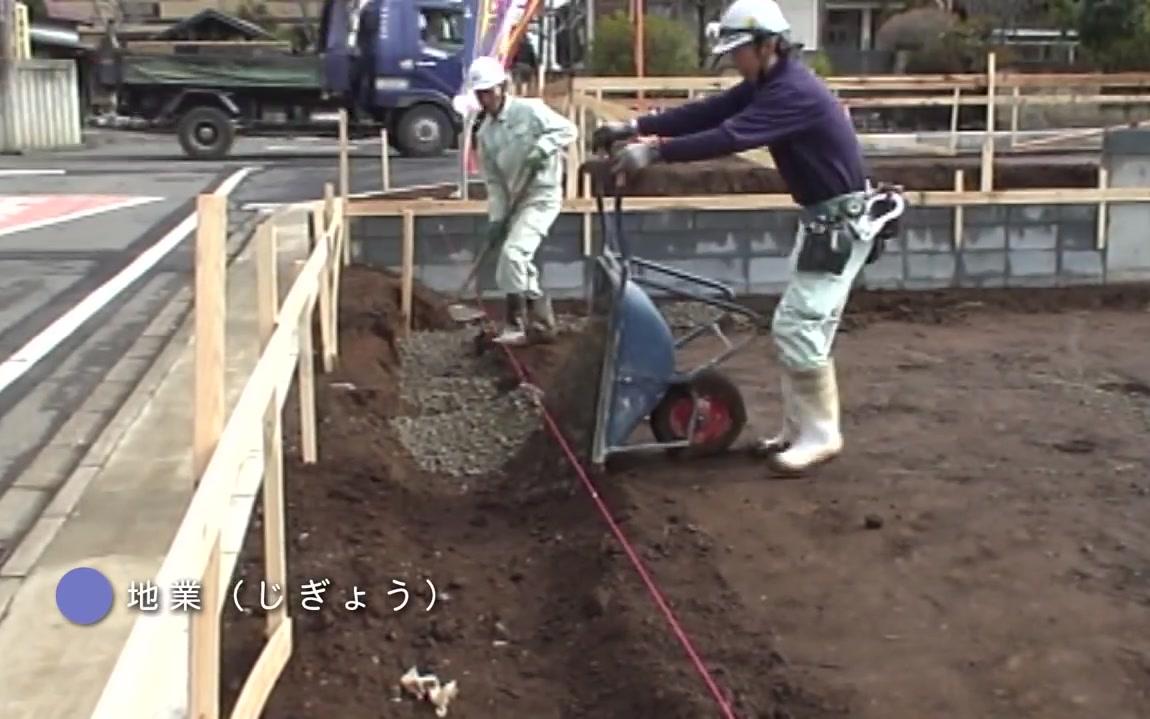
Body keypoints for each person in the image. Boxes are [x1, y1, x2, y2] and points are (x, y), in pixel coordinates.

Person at [592, 0, 903, 475]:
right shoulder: (767, 83)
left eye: (740, 51)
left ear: (768, 45)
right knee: (800, 325)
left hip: (844, 223)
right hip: (826, 220)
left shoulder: (793, 92)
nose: (735, 60)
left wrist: (654, 153)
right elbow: (711, 111)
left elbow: (730, 136)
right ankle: (798, 430)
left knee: (799, 326)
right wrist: (636, 126)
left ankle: (821, 434)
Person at [468, 55, 578, 346]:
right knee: (516, 258)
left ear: (502, 87)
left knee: (514, 254)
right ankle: (541, 320)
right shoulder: (486, 134)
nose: (485, 99)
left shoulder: (531, 111)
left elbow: (568, 130)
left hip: (541, 195)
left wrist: (543, 147)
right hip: (515, 200)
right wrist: (496, 218)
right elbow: (494, 183)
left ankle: (516, 323)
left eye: (488, 92)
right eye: (480, 94)